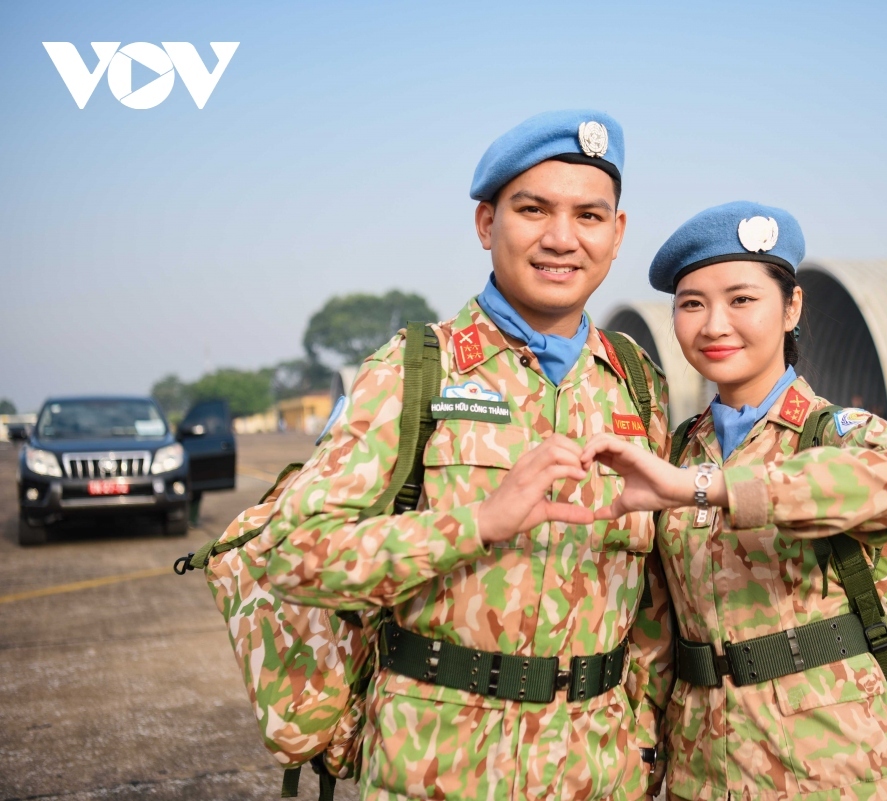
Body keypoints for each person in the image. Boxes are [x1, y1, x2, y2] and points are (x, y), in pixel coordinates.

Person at [262, 110, 673, 800]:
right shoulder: (416, 369)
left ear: (617, 233)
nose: (561, 238)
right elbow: (297, 555)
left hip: (598, 772)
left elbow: (654, 599)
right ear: (487, 223)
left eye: (589, 216)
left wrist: (641, 740)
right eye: (533, 209)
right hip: (440, 765)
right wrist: (476, 523)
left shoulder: (637, 382)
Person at [581, 201, 887, 800]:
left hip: (832, 764)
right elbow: (654, 630)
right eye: (692, 304)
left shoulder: (840, 433)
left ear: (791, 308)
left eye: (742, 300)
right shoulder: (676, 449)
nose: (715, 325)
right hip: (701, 766)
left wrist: (705, 488)